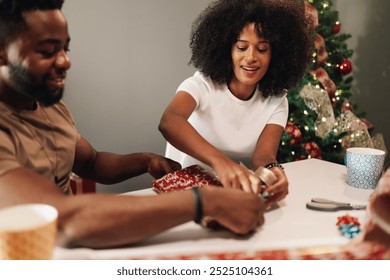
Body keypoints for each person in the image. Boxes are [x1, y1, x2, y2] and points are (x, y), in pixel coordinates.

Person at [0, 0, 265, 249]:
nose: (65, 61)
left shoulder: (50, 105)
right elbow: (63, 222)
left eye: (65, 49)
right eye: (48, 51)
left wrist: (145, 161)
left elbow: (91, 163)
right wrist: (204, 202)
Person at [159, 0, 312, 203]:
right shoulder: (202, 85)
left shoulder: (277, 100)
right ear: (227, 50)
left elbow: (263, 156)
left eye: (262, 49)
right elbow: (169, 121)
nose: (251, 57)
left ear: (276, 55)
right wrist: (221, 163)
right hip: (191, 190)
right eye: (242, 47)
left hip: (237, 192)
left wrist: (273, 170)